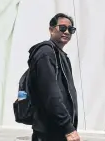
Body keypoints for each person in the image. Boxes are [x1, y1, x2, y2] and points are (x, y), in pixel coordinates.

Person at [28, 13, 79, 141]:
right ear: (51, 30)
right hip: (49, 131)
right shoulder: (45, 53)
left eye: (70, 29)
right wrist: (68, 128)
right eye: (62, 28)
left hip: (58, 130)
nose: (67, 32)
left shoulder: (61, 55)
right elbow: (50, 93)